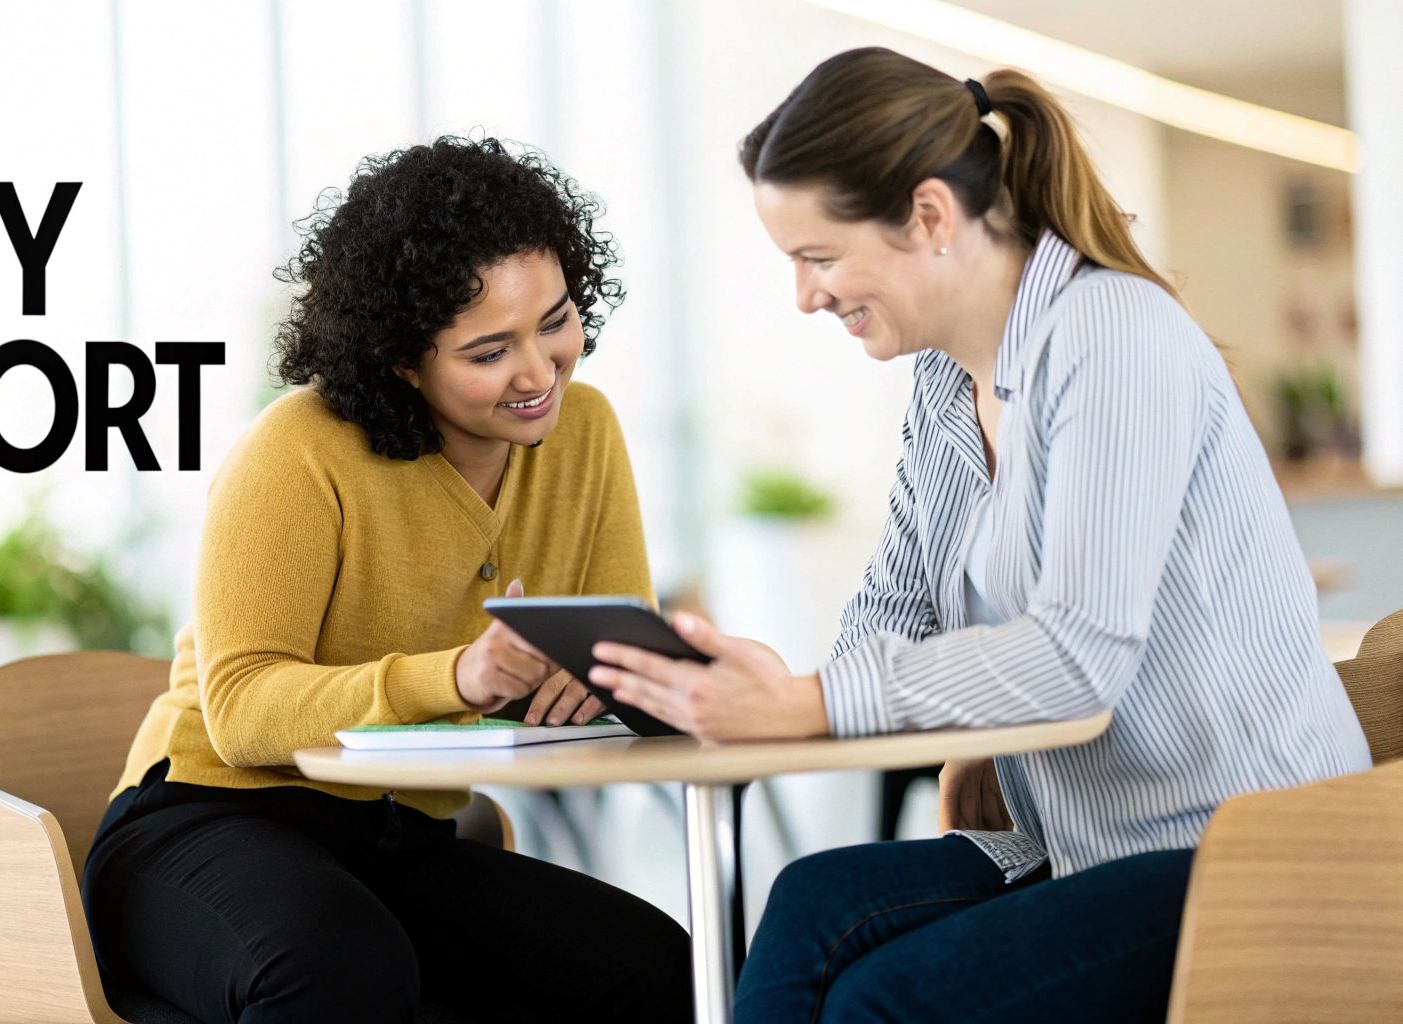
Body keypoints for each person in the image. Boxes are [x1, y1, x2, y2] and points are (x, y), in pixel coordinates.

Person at [588, 48, 1373, 1022]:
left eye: (818, 257)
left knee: (883, 999)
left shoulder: (1111, 334)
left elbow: (1078, 654)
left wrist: (811, 704)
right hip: (1082, 839)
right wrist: (777, 686)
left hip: (1245, 848)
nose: (804, 295)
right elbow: (895, 606)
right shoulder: (943, 380)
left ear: (928, 216)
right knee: (810, 906)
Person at [81, 136, 693, 1024]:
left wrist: (597, 682)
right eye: (489, 351)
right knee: (341, 970)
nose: (540, 371)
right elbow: (242, 711)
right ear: (403, 361)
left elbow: (615, 646)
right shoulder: (297, 449)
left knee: (650, 966)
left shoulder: (585, 431)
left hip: (396, 835)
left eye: (555, 321)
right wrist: (457, 678)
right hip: (203, 824)